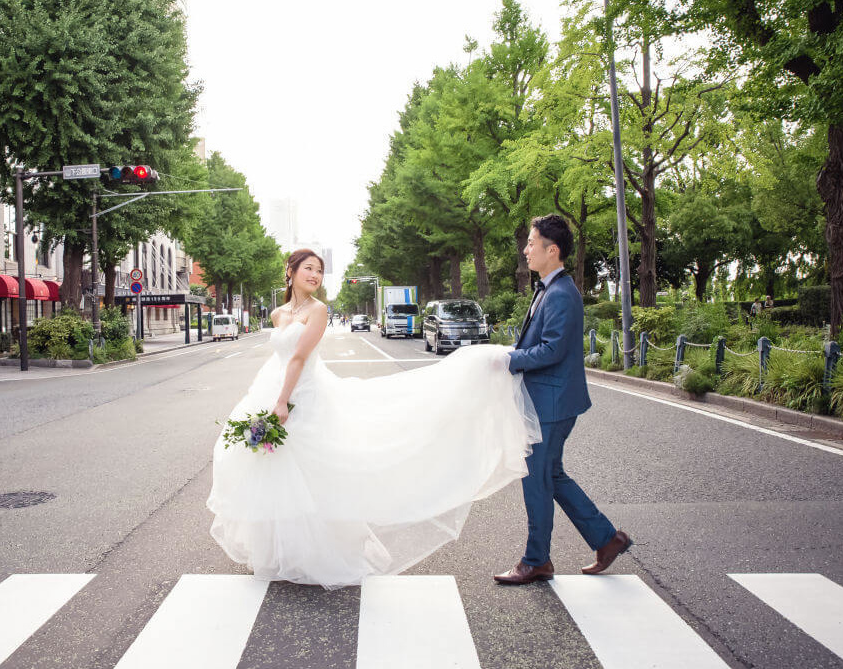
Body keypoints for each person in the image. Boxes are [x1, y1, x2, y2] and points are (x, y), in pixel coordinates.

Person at [207, 248, 541, 590]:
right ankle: (279, 554)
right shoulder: (277, 314)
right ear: (289, 271)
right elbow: (279, 361)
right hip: (273, 390)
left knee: (315, 474)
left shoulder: (318, 311)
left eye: (319, 271)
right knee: (276, 472)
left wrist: (281, 402)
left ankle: (317, 554)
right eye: (308, 268)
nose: (314, 275)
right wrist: (266, 396)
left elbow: (298, 358)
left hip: (304, 398)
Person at [494, 214, 632, 585]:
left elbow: (552, 350)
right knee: (551, 475)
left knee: (537, 479)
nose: (525, 250)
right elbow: (538, 344)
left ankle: (536, 559)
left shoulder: (560, 293)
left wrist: (507, 360)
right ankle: (607, 540)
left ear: (552, 250)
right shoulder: (550, 288)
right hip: (549, 400)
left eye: (531, 243)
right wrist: (511, 352)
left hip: (551, 404)